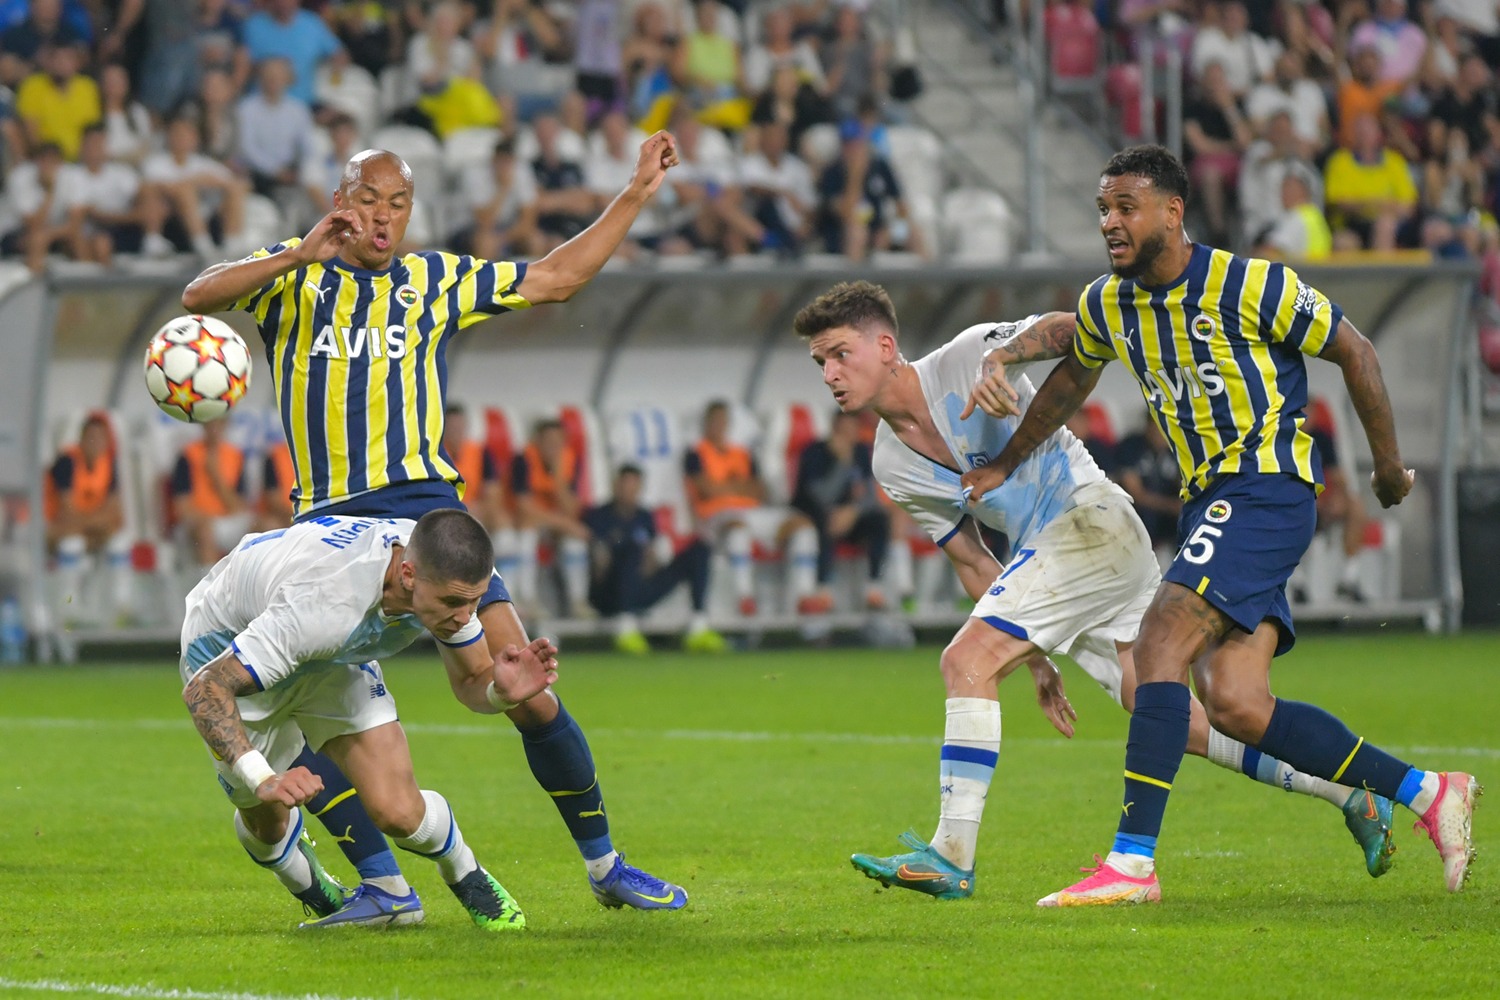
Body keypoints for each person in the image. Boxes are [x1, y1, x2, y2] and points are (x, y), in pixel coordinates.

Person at [179, 128, 689, 918]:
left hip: (429, 517)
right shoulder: (296, 274)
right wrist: (295, 257)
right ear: (341, 204)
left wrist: (635, 193)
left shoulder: (435, 279)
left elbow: (554, 279)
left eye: (400, 204)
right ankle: (385, 883)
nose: (384, 220)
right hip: (330, 529)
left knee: (521, 683)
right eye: (370, 202)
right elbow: (197, 297)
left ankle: (607, 866)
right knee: (311, 697)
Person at [959, 145, 1476, 905]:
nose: (1110, 222)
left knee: (1159, 644)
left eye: (1125, 206)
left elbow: (1354, 351)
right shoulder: (1112, 302)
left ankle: (1132, 864)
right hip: (1215, 502)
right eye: (1103, 209)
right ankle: (1430, 791)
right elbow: (1072, 373)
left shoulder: (1251, 283)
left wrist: (1388, 467)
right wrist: (1003, 462)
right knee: (1236, 700)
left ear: (1172, 211)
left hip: (1266, 486)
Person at [795, 283, 1399, 899]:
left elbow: (1075, 327)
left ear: (887, 345)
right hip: (1059, 563)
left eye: (840, 354)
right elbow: (972, 559)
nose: (830, 374)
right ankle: (1353, 795)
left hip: (1091, 521)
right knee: (1174, 718)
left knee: (963, 659)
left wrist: (1003, 359)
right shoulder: (890, 464)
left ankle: (952, 854)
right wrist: (1032, 661)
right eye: (821, 363)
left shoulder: (967, 355)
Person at [179, 508, 557, 929]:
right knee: (265, 820)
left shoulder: (437, 570)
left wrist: (499, 693)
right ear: (408, 575)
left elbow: (472, 678)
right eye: (454, 603)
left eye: (474, 602)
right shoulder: (325, 604)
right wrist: (262, 777)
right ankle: (307, 882)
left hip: (328, 651)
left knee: (397, 809)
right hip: (226, 646)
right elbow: (204, 690)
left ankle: (467, 874)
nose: (465, 618)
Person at [684, 399, 819, 616]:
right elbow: (706, 489)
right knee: (738, 530)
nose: (719, 425)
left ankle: (804, 596)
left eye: (723, 420)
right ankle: (745, 597)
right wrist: (740, 487)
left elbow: (760, 490)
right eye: (714, 420)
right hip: (716, 516)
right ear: (706, 424)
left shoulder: (742, 454)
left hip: (753, 512)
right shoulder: (696, 454)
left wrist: (724, 487)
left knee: (802, 525)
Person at [584, 463, 724, 654]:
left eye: (634, 485)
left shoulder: (645, 516)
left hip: (640, 586)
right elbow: (599, 557)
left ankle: (699, 624)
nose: (629, 490)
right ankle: (625, 627)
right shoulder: (599, 515)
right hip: (610, 593)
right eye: (625, 484)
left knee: (700, 550)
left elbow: (652, 551)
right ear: (616, 485)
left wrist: (652, 558)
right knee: (631, 549)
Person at [791, 409, 890, 612]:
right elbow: (822, 497)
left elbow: (870, 495)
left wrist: (853, 511)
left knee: (879, 520)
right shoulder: (814, 452)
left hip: (848, 516)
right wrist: (842, 463)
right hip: (816, 513)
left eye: (851, 429)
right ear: (833, 429)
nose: (846, 435)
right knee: (825, 519)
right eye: (841, 430)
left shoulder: (861, 452)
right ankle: (823, 590)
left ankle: (873, 587)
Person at [43, 412, 133, 622]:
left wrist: (91, 526)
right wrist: (98, 523)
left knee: (120, 543)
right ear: (82, 438)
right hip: (57, 532)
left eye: (101, 437)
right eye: (91, 436)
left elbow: (114, 514)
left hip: (88, 533)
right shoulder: (66, 462)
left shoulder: (110, 465)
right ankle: (68, 611)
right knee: (72, 544)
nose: (96, 442)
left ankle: (119, 609)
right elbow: (66, 513)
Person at [510, 418, 592, 618]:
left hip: (552, 523)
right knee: (527, 536)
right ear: (537, 441)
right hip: (523, 522)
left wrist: (557, 477)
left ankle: (577, 602)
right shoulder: (523, 460)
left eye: (558, 442)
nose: (553, 448)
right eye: (548, 442)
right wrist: (564, 524)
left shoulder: (570, 461)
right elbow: (524, 509)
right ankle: (527, 600)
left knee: (575, 543)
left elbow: (571, 509)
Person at [171, 418, 251, 573]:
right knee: (206, 531)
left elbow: (240, 507)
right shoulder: (187, 456)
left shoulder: (235, 456)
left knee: (266, 527)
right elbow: (182, 507)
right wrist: (205, 520)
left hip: (229, 521)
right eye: (210, 424)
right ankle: (210, 589)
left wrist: (216, 477)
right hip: (199, 522)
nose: (214, 429)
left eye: (219, 423)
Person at [1110, 418, 1180, 564]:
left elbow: (1184, 486)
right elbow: (1136, 494)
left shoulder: (1176, 450)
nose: (1162, 433)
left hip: (1167, 529)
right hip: (1135, 523)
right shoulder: (1131, 446)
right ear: (1149, 425)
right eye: (1158, 427)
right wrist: (1172, 506)